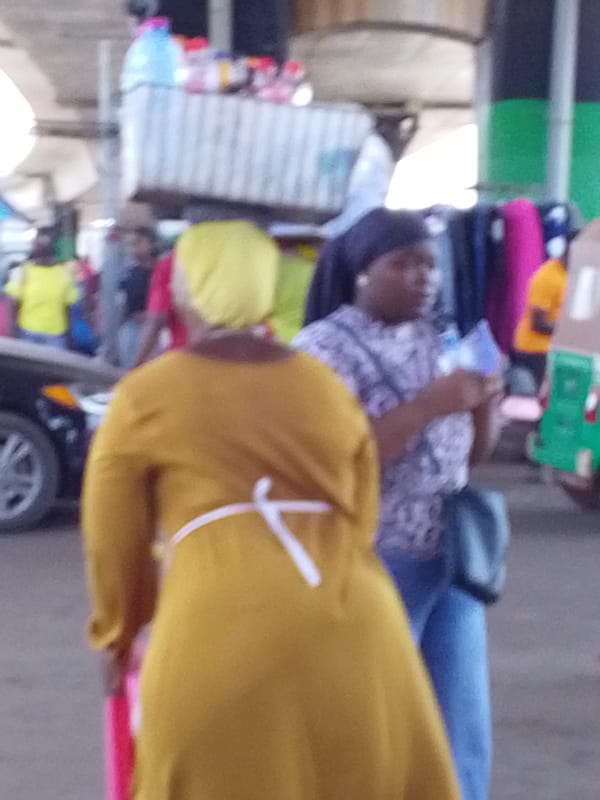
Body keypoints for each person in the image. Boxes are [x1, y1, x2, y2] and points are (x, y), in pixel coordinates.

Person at [82, 220, 461, 800]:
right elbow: (358, 514)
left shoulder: (145, 395)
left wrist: (118, 632)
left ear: (188, 287)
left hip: (217, 632)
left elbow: (112, 538)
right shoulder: (322, 384)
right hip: (357, 625)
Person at [294, 208, 502, 800]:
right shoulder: (321, 349)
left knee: (461, 725)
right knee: (371, 722)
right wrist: (428, 405)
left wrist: (482, 401)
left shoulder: (439, 336)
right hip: (375, 562)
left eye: (430, 264)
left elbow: (470, 456)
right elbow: (332, 464)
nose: (423, 277)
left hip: (455, 562)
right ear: (362, 271)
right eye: (403, 263)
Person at [4, 228, 78, 349]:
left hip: (56, 335)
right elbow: (13, 305)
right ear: (35, 248)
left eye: (47, 245)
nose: (43, 249)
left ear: (53, 248)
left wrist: (69, 337)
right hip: (27, 334)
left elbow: (68, 308)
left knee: (52, 368)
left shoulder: (64, 273)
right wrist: (12, 333)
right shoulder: (23, 271)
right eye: (40, 245)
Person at [512, 248, 569, 389]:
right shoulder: (548, 277)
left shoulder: (570, 274)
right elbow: (538, 323)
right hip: (535, 352)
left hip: (554, 353)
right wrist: (571, 330)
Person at [118, 228, 157, 369]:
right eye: (132, 244)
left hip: (154, 329)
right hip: (132, 329)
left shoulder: (160, 272)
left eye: (138, 243)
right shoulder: (130, 273)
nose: (133, 248)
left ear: (151, 245)